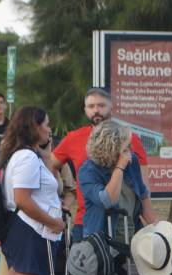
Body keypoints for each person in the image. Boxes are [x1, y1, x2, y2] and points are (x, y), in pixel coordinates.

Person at [0, 106, 65, 275]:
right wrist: (53, 222)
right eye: (46, 124)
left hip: (22, 231)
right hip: (33, 232)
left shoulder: (23, 155)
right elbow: (23, 199)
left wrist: (47, 155)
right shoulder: (26, 158)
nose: (50, 130)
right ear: (34, 126)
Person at [51, 87, 148, 242]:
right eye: (91, 106)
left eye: (101, 105)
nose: (96, 110)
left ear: (111, 107)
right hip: (87, 221)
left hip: (125, 223)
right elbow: (50, 164)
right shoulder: (73, 138)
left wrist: (149, 223)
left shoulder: (131, 139)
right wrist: (56, 198)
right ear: (85, 110)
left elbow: (142, 187)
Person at [78, 120, 156, 239]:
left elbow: (143, 195)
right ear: (111, 150)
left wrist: (158, 229)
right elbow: (107, 200)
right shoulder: (88, 170)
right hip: (103, 241)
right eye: (125, 148)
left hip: (131, 234)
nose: (130, 150)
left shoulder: (132, 160)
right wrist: (119, 167)